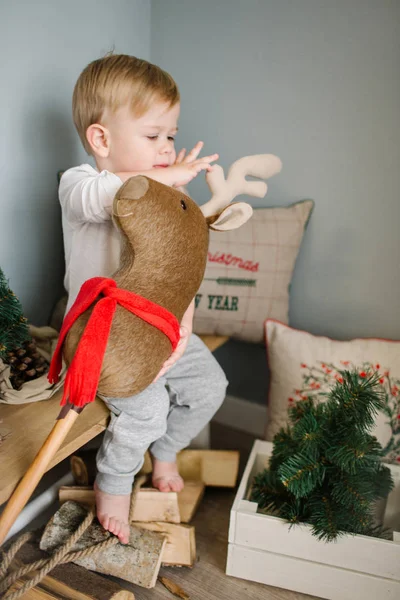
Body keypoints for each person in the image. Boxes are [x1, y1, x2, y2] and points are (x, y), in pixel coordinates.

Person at [59, 54, 228, 544]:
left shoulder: (166, 196)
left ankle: (167, 450)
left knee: (209, 388)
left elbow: (182, 269)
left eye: (171, 136)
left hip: (163, 326)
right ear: (101, 139)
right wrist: (165, 182)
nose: (166, 148)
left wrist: (184, 330)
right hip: (109, 337)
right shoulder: (80, 186)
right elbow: (114, 195)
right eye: (153, 136)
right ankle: (113, 484)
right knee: (147, 410)